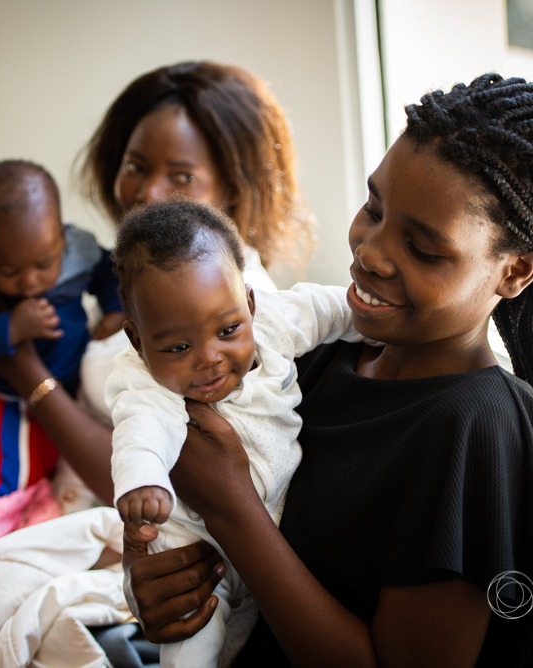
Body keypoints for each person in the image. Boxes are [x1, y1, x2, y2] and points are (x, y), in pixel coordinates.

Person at [120, 73, 533, 667]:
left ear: (513, 273)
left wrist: (231, 507)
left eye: (426, 249)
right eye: (375, 208)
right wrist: (154, 577)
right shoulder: (319, 355)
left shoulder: (472, 430)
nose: (370, 251)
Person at [0, 59, 315, 584]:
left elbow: (148, 477)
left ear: (232, 188)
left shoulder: (235, 320)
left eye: (182, 176)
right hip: (38, 496)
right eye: (136, 165)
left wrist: (27, 374)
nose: (147, 191)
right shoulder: (126, 277)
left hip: (126, 551)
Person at [107, 200, 360, 666]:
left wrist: (374, 322)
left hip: (275, 528)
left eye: (227, 329)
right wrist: (142, 482)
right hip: (198, 549)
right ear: (138, 341)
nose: (209, 357)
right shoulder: (142, 381)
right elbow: (138, 432)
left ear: (249, 301)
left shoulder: (272, 322)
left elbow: (330, 310)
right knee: (194, 640)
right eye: (179, 346)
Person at [0, 158, 123, 507]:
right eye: (8, 270)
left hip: (68, 386)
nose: (29, 281)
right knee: (7, 475)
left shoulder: (76, 251)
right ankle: (6, 515)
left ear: (61, 239)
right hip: (2, 397)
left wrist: (115, 309)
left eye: (43, 264)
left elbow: (110, 274)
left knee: (58, 460)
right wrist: (10, 327)